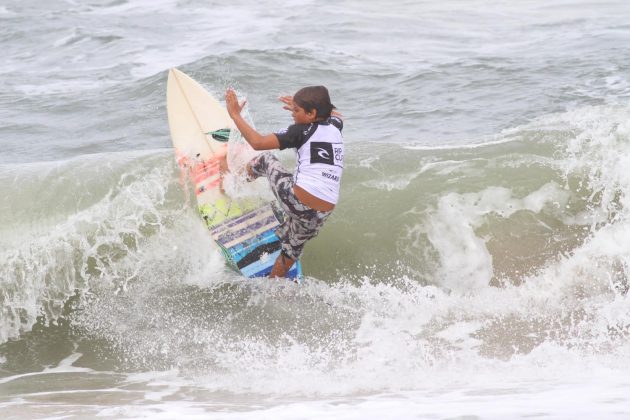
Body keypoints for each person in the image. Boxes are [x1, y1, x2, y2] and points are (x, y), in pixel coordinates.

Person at [225, 86, 344, 278]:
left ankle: (236, 182)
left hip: (298, 202)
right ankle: (274, 285)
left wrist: (235, 115)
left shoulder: (301, 131)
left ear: (312, 114)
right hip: (321, 214)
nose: (293, 115)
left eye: (297, 111)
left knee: (264, 159)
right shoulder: (336, 125)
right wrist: (306, 107)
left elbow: (258, 142)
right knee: (290, 250)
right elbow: (336, 114)